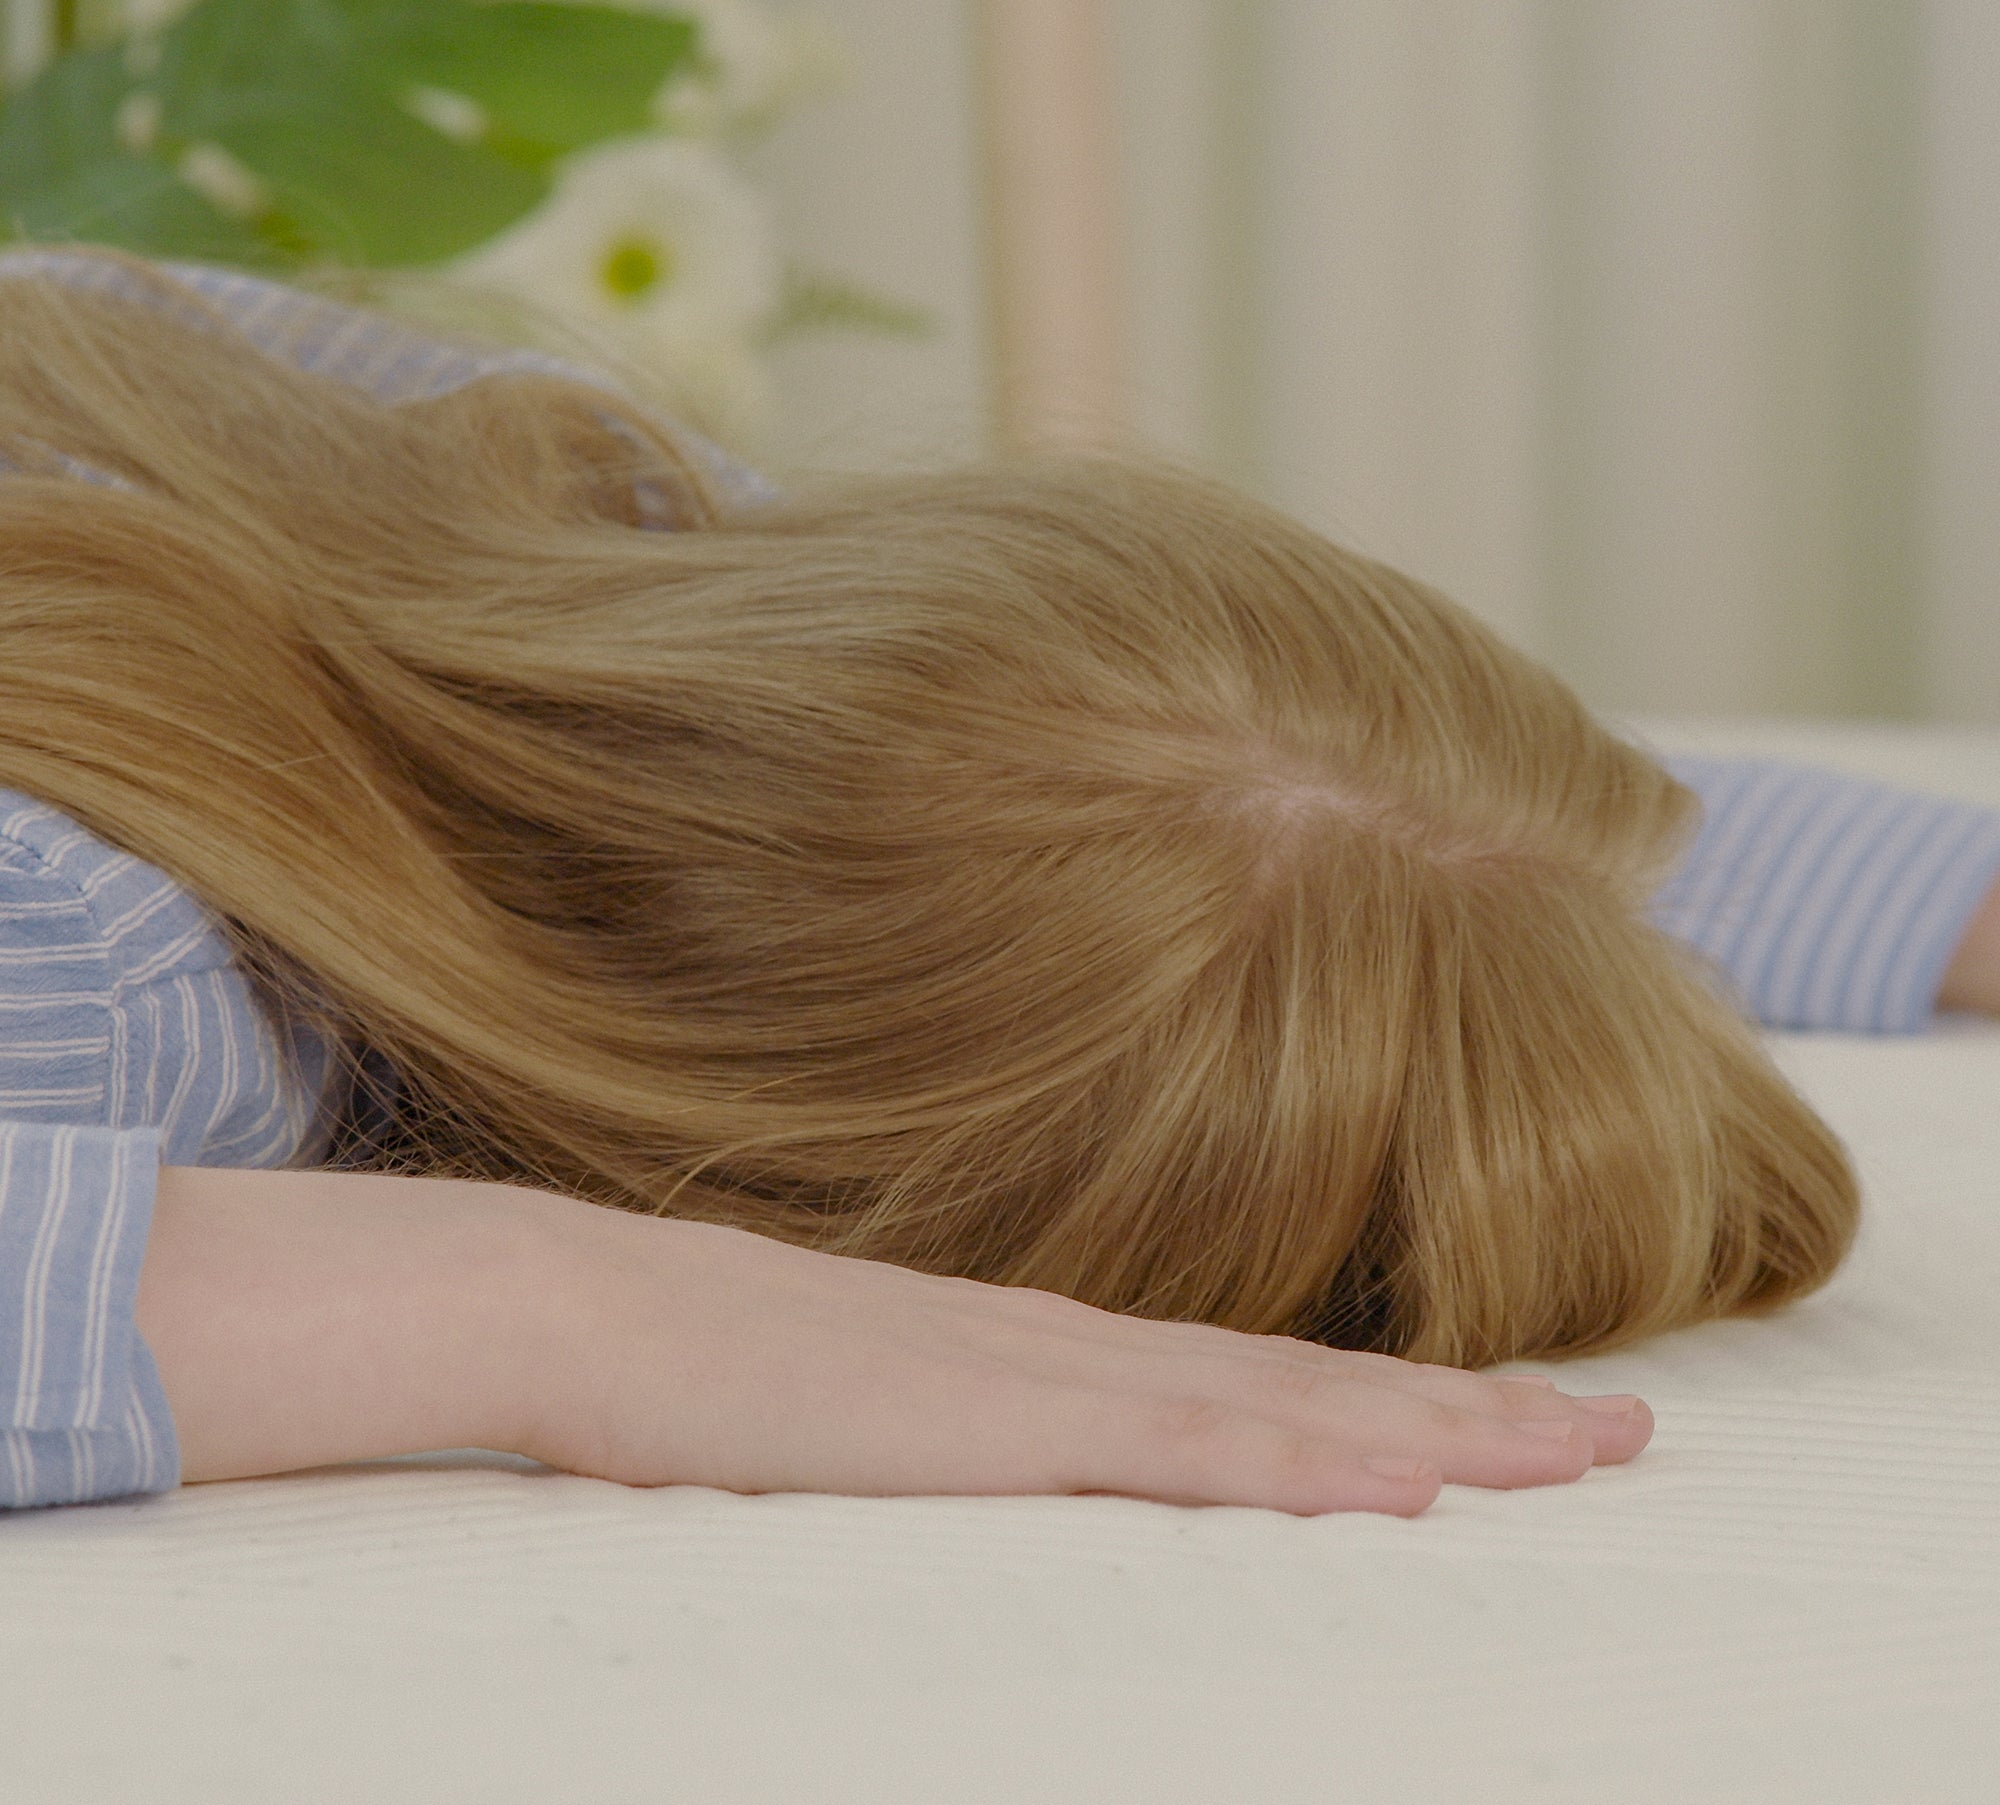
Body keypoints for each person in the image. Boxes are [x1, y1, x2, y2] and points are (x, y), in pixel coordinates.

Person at [3, 249, 1997, 1522]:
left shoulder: (362, 447)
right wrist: (560, 1301)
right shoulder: (105, 956)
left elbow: (1326, 805)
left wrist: (1943, 884)